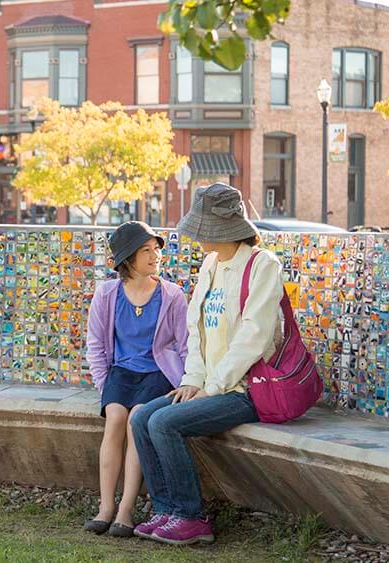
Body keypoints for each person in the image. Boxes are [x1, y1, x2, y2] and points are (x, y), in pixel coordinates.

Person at [130, 183, 285, 545]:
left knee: (166, 422)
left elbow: (254, 337)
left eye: (202, 228)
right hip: (208, 385)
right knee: (141, 418)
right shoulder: (211, 265)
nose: (197, 236)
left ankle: (192, 517)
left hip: (246, 389)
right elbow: (196, 330)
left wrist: (211, 388)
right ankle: (167, 511)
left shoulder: (263, 266)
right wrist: (192, 381)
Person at [84, 221, 189, 537]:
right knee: (115, 416)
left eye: (156, 249)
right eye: (146, 250)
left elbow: (185, 345)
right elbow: (96, 344)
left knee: (135, 420)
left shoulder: (172, 295)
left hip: (157, 374)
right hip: (122, 374)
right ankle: (106, 507)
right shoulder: (107, 294)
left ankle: (126, 511)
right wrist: (105, 387)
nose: (154, 255)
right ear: (128, 258)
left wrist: (187, 382)